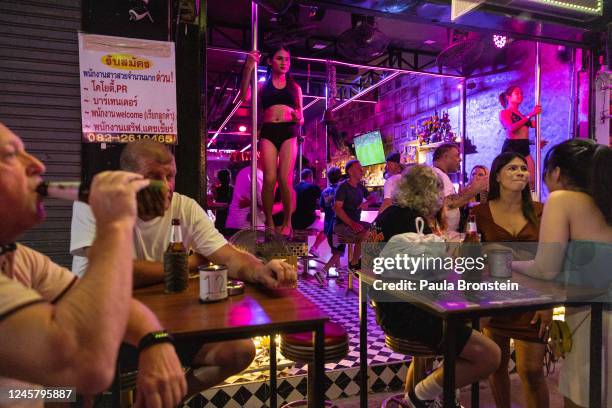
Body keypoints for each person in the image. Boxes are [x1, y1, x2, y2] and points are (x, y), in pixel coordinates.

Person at [70, 140, 297, 395]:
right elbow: (110, 272)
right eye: (154, 176)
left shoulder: (184, 207)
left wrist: (261, 269)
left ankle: (170, 399)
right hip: (101, 329)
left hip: (162, 325)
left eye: (170, 176)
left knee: (239, 350)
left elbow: (228, 256)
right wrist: (187, 264)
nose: (165, 185)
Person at [0, 123, 187, 407]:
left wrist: (155, 340)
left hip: (21, 395)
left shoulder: (21, 258)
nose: (38, 164)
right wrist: (115, 224)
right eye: (10, 155)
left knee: (62, 394)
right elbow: (89, 365)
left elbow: (120, 306)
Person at [370, 165, 501, 408]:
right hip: (413, 314)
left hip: (387, 311)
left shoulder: (388, 215)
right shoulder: (415, 221)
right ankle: (422, 396)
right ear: (431, 193)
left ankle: (435, 391)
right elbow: (432, 278)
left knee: (478, 318)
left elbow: (362, 264)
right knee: (490, 355)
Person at [513, 139, 612, 408]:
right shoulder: (605, 202)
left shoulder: (562, 199)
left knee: (581, 398)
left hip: (593, 322)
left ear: (556, 173)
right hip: (600, 317)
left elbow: (546, 268)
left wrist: (509, 264)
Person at [472, 152, 549, 408]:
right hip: (496, 299)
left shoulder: (541, 211)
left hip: (533, 298)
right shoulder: (479, 213)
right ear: (497, 176)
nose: (520, 172)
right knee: (497, 366)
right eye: (512, 168)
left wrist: (548, 304)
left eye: (523, 169)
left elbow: (552, 260)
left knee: (532, 370)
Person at [239, 45, 304, 236]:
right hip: (268, 131)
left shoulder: (295, 87)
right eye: (280, 58)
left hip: (289, 131)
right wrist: (249, 67)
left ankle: (287, 222)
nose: (284, 63)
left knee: (285, 179)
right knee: (269, 178)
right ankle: (268, 220)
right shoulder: (262, 86)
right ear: (270, 61)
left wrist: (298, 117)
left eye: (287, 59)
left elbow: (302, 117)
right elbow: (244, 96)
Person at [432, 143, 488, 232]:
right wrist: (475, 189)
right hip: (444, 234)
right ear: (446, 156)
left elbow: (449, 200)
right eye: (457, 156)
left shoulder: (440, 174)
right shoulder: (439, 175)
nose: (460, 159)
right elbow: (448, 203)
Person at [333, 160, 375, 270]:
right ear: (350, 171)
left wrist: (367, 203)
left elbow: (372, 197)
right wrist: (352, 224)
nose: (362, 170)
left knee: (376, 229)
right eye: (358, 168)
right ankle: (355, 262)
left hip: (356, 223)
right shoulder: (343, 187)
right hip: (342, 225)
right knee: (365, 234)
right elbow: (337, 208)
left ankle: (356, 261)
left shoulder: (360, 187)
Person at [498, 86, 543, 186]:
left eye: (521, 93)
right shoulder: (505, 113)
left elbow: (525, 132)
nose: (520, 95)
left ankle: (529, 200)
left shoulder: (521, 115)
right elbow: (511, 129)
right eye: (517, 93)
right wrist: (530, 115)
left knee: (532, 180)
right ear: (508, 97)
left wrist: (535, 142)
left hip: (524, 147)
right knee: (513, 181)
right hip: (512, 149)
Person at [314, 166, 345, 269]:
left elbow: (322, 209)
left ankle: (339, 273)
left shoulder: (325, 192)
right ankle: (323, 272)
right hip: (338, 226)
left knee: (336, 251)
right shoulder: (342, 190)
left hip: (328, 226)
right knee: (337, 252)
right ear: (340, 176)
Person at [225, 160, 264, 234]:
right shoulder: (257, 174)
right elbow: (264, 204)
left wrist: (251, 202)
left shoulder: (245, 171)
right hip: (247, 225)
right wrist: (282, 206)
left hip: (235, 222)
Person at [211, 168, 233, 234]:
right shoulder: (232, 189)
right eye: (228, 177)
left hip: (222, 218)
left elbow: (213, 203)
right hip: (227, 217)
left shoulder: (216, 189)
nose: (228, 179)